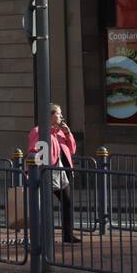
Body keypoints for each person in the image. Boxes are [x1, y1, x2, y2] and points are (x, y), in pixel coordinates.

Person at [26, 104, 78, 243]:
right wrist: (31, 172)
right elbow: (34, 152)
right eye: (59, 114)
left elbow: (72, 149)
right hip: (46, 171)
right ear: (50, 115)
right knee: (45, 204)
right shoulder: (38, 131)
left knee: (67, 201)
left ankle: (68, 235)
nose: (61, 116)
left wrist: (67, 133)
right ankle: (43, 236)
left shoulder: (58, 132)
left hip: (60, 170)